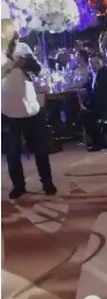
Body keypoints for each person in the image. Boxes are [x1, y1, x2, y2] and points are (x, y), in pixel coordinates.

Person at [1, 18, 57, 199]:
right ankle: (18, 185)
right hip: (7, 110)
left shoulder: (23, 47)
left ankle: (47, 182)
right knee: (12, 151)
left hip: (31, 107)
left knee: (40, 148)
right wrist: (11, 66)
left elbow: (38, 70)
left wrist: (25, 62)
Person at [79, 54, 107, 151]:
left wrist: (87, 103)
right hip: (99, 103)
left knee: (84, 115)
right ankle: (102, 135)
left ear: (102, 62)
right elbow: (89, 87)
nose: (93, 65)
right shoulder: (93, 74)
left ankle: (100, 141)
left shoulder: (106, 75)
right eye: (91, 63)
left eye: (96, 63)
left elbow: (102, 95)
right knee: (80, 111)